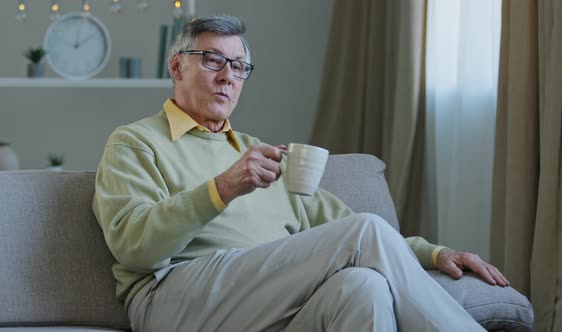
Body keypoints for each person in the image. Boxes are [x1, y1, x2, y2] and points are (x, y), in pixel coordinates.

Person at [93, 15, 509, 332]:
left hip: (268, 304)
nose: (227, 76)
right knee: (363, 235)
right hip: (172, 299)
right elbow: (135, 247)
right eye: (212, 60)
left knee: (363, 287)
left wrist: (435, 254)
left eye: (238, 67)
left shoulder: (262, 155)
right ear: (177, 66)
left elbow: (350, 229)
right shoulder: (135, 142)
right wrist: (223, 187)